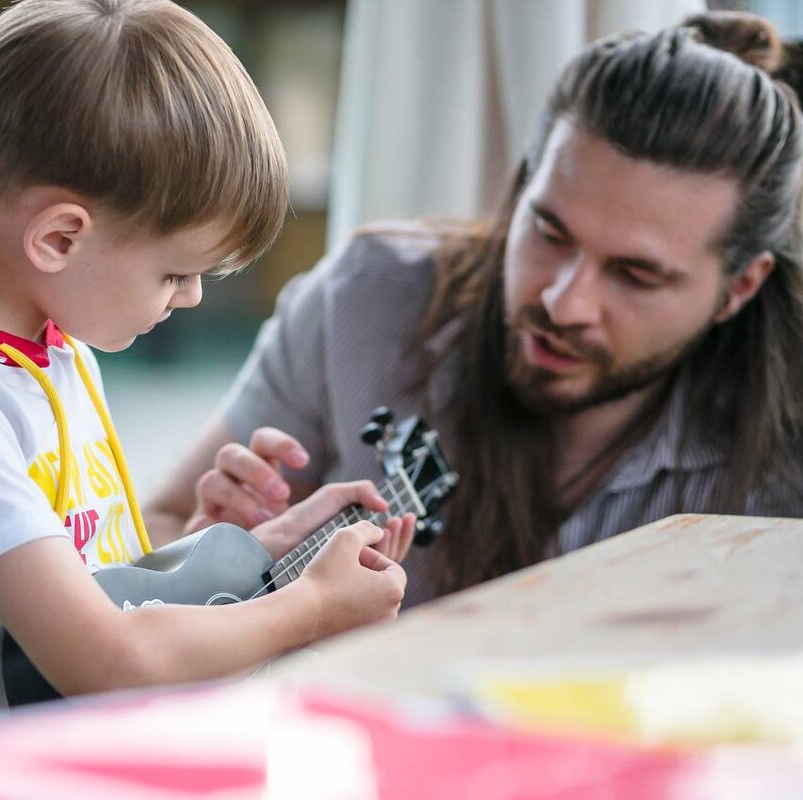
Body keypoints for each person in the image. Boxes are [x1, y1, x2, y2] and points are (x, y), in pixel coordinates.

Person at [0, 1, 412, 795]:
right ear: (59, 238)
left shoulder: (47, 350)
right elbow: (108, 661)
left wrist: (260, 553)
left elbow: (96, 589)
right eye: (175, 273)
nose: (185, 299)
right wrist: (310, 610)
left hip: (77, 767)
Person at [146, 11, 803, 608]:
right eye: (549, 231)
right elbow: (159, 524)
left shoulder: (786, 441)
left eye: (635, 275)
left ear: (740, 287)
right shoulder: (365, 301)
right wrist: (211, 561)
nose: (562, 301)